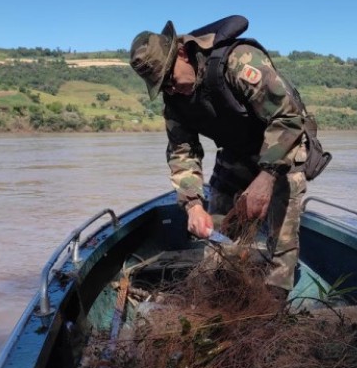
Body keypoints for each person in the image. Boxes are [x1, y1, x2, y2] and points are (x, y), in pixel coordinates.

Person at [129, 15, 314, 296]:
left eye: (170, 78)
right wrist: (193, 205)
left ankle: (275, 294)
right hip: (238, 150)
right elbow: (182, 152)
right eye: (162, 86)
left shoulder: (239, 62)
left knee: (281, 233)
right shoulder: (175, 100)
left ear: (182, 53)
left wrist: (266, 178)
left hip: (283, 147)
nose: (171, 89)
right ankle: (220, 285)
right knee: (220, 226)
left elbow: (288, 118)